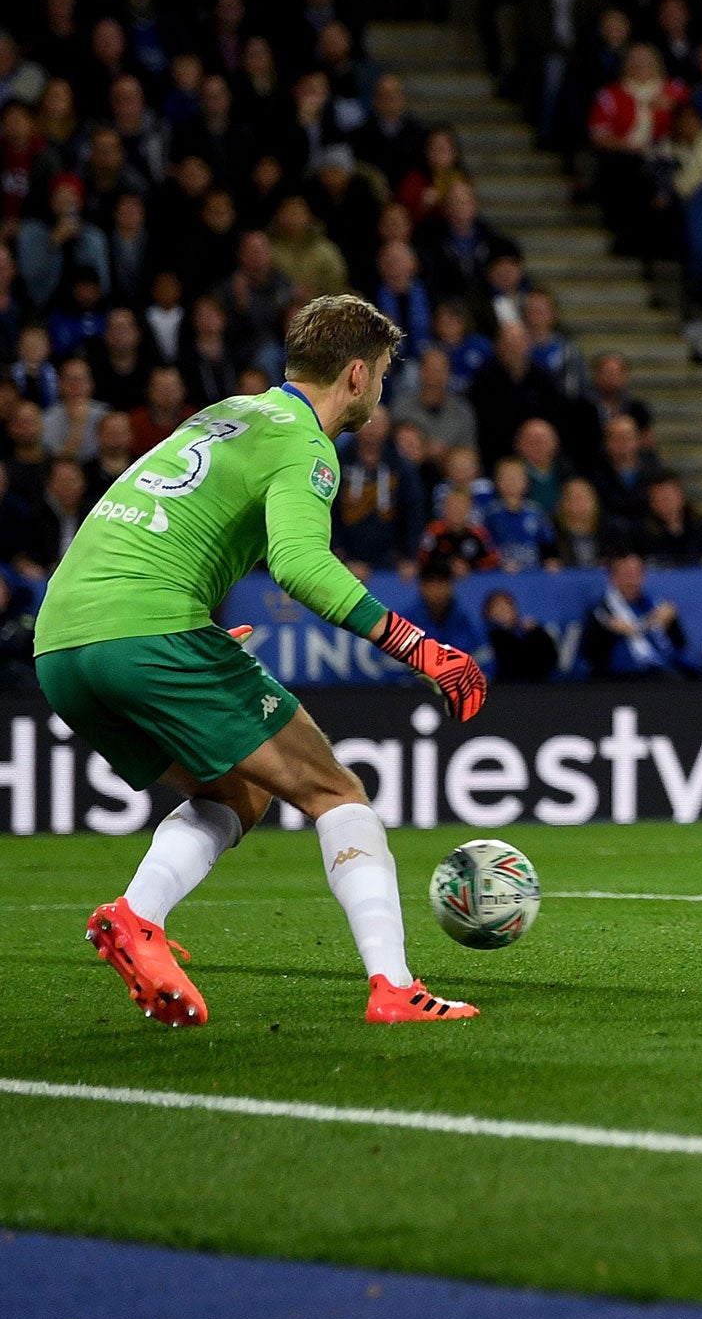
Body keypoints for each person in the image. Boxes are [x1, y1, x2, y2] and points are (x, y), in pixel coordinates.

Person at [33, 295, 485, 1027]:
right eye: (383, 377)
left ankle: (135, 917)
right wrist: (418, 646)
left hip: (62, 642)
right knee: (336, 795)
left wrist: (190, 631)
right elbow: (301, 566)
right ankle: (394, 987)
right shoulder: (307, 446)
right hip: (148, 633)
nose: (381, 393)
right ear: (358, 374)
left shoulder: (226, 412)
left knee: (238, 795)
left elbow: (157, 525)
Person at [584, 552, 689, 678]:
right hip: (622, 680)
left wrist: (671, 624)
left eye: (636, 574)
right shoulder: (600, 611)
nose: (632, 580)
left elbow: (680, 645)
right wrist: (609, 631)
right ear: (613, 578)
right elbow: (590, 655)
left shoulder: (656, 606)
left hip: (662, 673)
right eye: (626, 574)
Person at [481, 589, 558, 682]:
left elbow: (551, 659)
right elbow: (515, 662)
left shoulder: (530, 633)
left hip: (539, 688)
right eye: (497, 606)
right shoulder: (487, 636)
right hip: (505, 689)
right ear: (488, 612)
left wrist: (537, 632)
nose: (504, 610)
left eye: (507, 604)